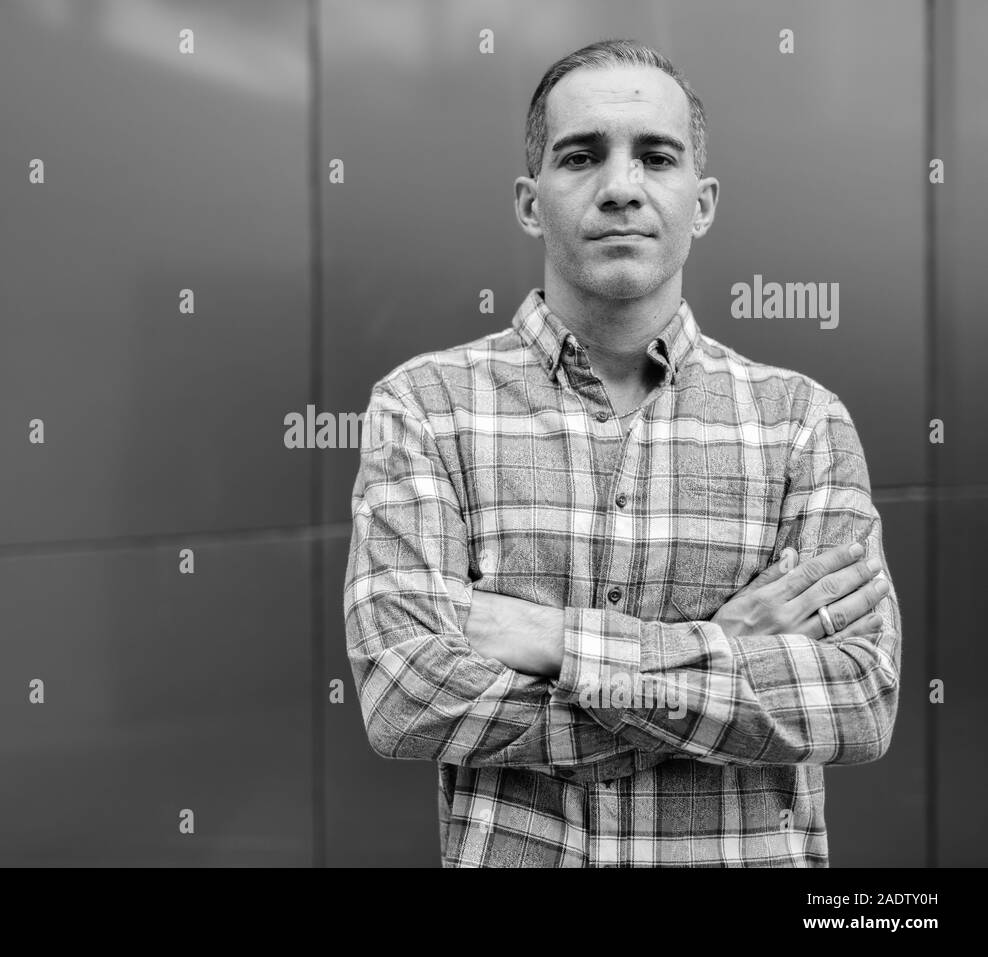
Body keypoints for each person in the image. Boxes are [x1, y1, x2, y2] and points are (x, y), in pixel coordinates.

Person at [342, 38, 901, 867]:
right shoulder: (424, 409)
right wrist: (727, 645)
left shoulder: (803, 424)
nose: (621, 187)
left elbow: (855, 703)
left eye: (656, 156)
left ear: (702, 202)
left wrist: (561, 643)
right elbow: (407, 701)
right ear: (531, 203)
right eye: (582, 156)